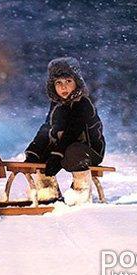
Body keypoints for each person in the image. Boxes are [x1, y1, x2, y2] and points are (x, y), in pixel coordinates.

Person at [24, 57, 105, 206]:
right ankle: (48, 192)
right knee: (42, 154)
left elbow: (73, 131)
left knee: (73, 151)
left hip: (88, 150)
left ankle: (80, 192)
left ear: (77, 83)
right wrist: (34, 152)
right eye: (58, 83)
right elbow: (47, 130)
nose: (64, 87)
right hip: (65, 148)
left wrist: (58, 154)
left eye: (68, 81)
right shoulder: (56, 106)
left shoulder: (83, 103)